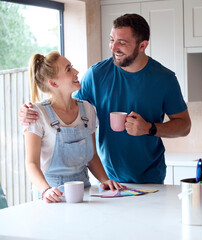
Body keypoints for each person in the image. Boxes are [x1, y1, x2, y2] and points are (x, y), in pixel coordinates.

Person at [19, 14, 191, 184]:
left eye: (122, 43)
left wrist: (149, 128)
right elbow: (68, 108)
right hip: (107, 180)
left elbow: (184, 126)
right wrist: (28, 113)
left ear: (142, 45)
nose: (113, 47)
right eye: (112, 40)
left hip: (151, 178)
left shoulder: (164, 79)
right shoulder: (96, 75)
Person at [24, 51, 124, 203]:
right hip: (52, 197)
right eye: (69, 69)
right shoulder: (37, 114)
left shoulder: (87, 109)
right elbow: (31, 163)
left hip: (84, 192)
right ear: (53, 83)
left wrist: (105, 179)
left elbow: (91, 157)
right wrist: (46, 190)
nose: (77, 72)